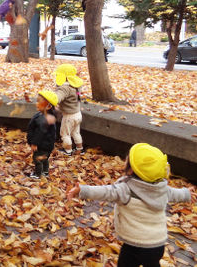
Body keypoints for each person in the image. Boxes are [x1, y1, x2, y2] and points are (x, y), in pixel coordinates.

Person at [67, 143, 195, 267]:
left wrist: (82, 191)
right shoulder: (162, 189)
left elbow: (104, 192)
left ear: (131, 168)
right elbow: (176, 194)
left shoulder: (126, 189)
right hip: (157, 245)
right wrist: (186, 193)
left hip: (134, 245)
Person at [26, 90, 58, 179]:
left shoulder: (44, 119)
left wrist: (34, 143)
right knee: (44, 158)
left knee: (38, 158)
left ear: (48, 106)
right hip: (47, 144)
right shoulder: (44, 115)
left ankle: (38, 174)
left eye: (39, 101)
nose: (36, 103)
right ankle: (45, 172)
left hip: (42, 144)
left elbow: (40, 132)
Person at [54, 64, 83, 156]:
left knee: (65, 134)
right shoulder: (77, 85)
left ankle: (68, 151)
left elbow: (57, 98)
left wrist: (51, 100)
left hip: (69, 116)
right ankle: (80, 149)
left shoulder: (64, 88)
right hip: (78, 114)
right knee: (76, 132)